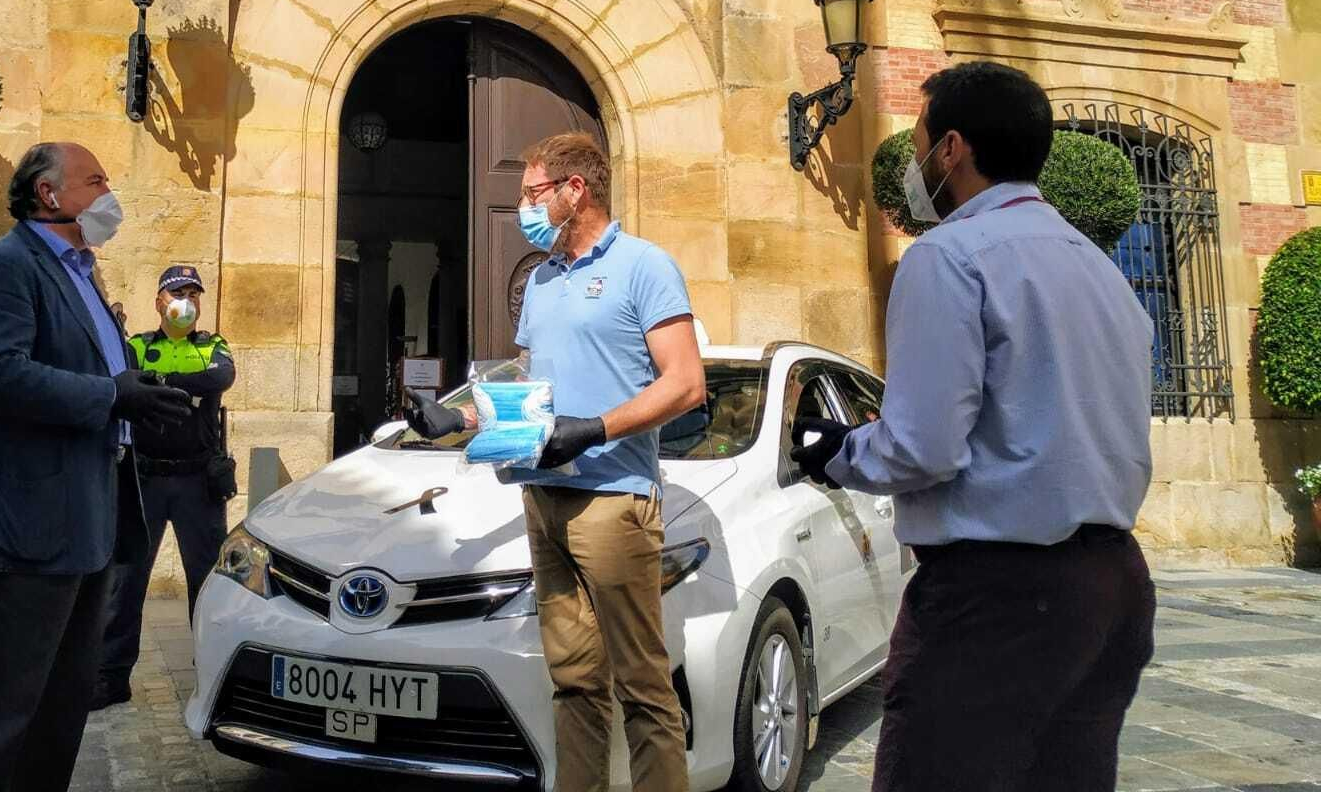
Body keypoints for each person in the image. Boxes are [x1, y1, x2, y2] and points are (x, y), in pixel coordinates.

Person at [790, 61, 1156, 792]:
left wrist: (838, 451)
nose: (916, 158)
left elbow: (921, 449)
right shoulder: (1101, 268)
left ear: (951, 149)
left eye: (921, 138)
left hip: (996, 600)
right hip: (1111, 586)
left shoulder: (949, 258)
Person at [410, 132, 705, 792]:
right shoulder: (541, 280)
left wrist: (595, 429)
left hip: (612, 501)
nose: (523, 209)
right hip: (541, 497)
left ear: (578, 190)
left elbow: (685, 383)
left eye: (533, 193)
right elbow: (527, 388)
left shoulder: (643, 266)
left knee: (643, 686)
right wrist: (456, 419)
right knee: (573, 683)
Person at [0, 143, 192, 792]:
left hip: (88, 526)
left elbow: (90, 373)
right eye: (96, 180)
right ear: (50, 195)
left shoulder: (83, 273)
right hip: (25, 528)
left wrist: (135, 393)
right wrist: (112, 396)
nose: (110, 193)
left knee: (59, 714)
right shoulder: (5, 268)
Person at [93, 264, 237, 710]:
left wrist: (158, 385)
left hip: (198, 480)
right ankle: (111, 677)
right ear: (159, 300)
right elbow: (124, 384)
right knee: (127, 579)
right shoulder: (136, 345)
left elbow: (219, 378)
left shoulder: (213, 344)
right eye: (178, 293)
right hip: (146, 478)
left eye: (193, 294)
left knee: (208, 582)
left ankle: (214, 676)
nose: (186, 302)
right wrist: (183, 390)